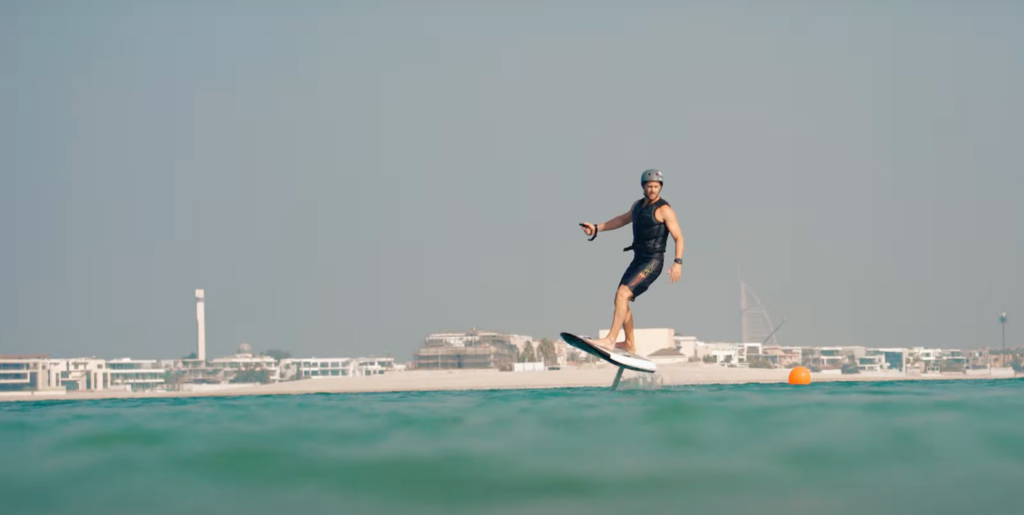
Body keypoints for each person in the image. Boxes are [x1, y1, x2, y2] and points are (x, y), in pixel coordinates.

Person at [578, 169, 684, 355]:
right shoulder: (637, 206)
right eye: (649, 186)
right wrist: (597, 228)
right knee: (620, 299)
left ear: (660, 187)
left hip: (652, 262)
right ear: (643, 186)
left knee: (622, 295)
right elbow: (621, 220)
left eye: (656, 186)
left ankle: (610, 340)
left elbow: (679, 237)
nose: (652, 190)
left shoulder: (664, 210)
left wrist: (677, 262)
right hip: (638, 259)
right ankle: (629, 344)